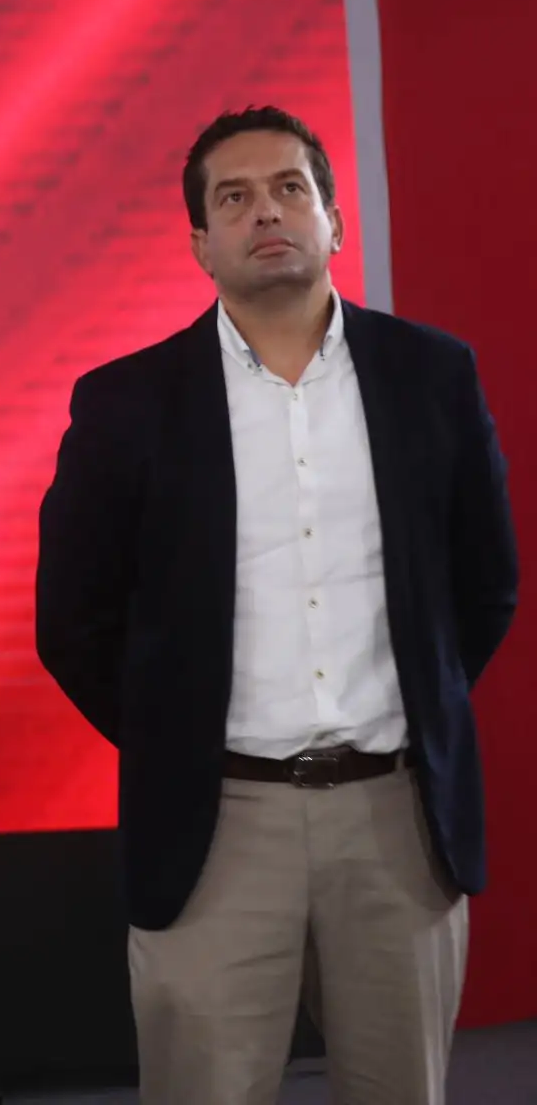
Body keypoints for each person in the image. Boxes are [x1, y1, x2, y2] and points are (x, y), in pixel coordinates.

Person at [36, 106, 519, 1104]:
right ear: (200, 243)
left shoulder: (433, 377)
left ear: (334, 220)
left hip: (396, 817)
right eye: (235, 196)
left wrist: (415, 705)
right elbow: (72, 620)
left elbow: (486, 584)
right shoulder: (126, 402)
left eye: (291, 188)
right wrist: (173, 735)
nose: (267, 212)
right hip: (217, 821)